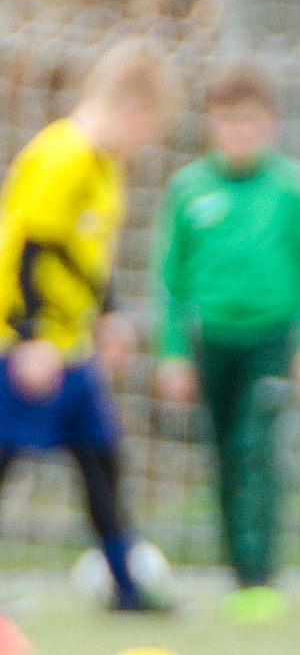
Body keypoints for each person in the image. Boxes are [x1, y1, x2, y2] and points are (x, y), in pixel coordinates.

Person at [153, 63, 300, 624]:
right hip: (212, 342)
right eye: (227, 122)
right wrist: (172, 353)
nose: (237, 133)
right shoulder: (189, 190)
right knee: (223, 458)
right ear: (211, 125)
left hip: (272, 340)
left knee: (254, 452)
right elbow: (169, 282)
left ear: (271, 125)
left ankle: (261, 578)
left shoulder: (292, 189)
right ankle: (235, 575)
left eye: (248, 122)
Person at [0, 38, 178, 613]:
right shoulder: (63, 153)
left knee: (101, 458)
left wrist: (111, 314)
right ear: (134, 112)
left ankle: (126, 588)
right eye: (149, 131)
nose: (144, 146)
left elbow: (84, 256)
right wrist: (28, 341)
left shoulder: (104, 167)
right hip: (25, 342)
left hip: (69, 345)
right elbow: (28, 246)